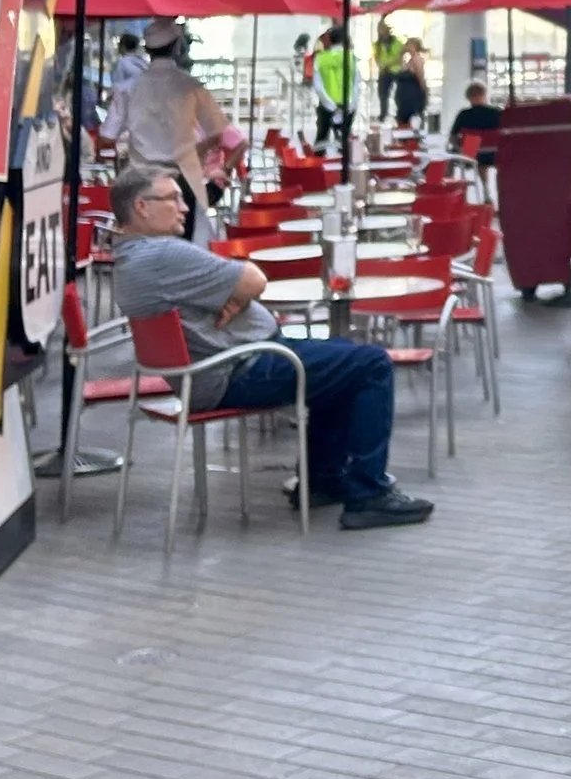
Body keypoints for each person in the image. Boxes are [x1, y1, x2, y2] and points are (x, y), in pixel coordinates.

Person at [107, 163, 433, 529]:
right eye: (173, 198)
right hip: (236, 370)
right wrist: (239, 293)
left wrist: (234, 297)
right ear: (142, 207)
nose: (185, 207)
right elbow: (254, 279)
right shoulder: (163, 254)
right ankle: (368, 494)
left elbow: (239, 286)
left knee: (342, 359)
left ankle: (323, 479)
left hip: (216, 371)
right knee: (371, 364)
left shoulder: (129, 259)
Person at [102, 20, 237, 233]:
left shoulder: (128, 88)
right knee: (180, 240)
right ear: (177, 48)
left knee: (143, 241)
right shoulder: (191, 86)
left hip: (141, 179)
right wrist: (197, 153)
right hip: (182, 177)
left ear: (147, 51)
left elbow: (107, 136)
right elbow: (217, 131)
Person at [312, 27, 352, 154]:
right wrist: (351, 105)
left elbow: (318, 85)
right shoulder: (351, 59)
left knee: (321, 138)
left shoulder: (321, 58)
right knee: (344, 142)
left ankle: (317, 164)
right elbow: (356, 86)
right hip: (346, 104)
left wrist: (330, 105)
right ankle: (343, 164)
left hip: (326, 105)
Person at [392, 36, 430, 132]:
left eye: (409, 45)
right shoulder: (408, 61)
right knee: (402, 121)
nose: (407, 47)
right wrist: (401, 54)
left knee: (412, 121)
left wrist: (424, 92)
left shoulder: (417, 59)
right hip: (403, 98)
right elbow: (396, 66)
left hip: (412, 96)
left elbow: (420, 77)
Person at [373, 24, 404, 121]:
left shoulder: (397, 43)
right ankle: (383, 114)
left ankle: (400, 113)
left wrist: (388, 64)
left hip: (396, 70)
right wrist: (381, 66)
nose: (382, 32)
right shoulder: (377, 45)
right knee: (383, 94)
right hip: (384, 72)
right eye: (380, 30)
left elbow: (400, 58)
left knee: (399, 94)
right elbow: (376, 58)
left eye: (383, 29)